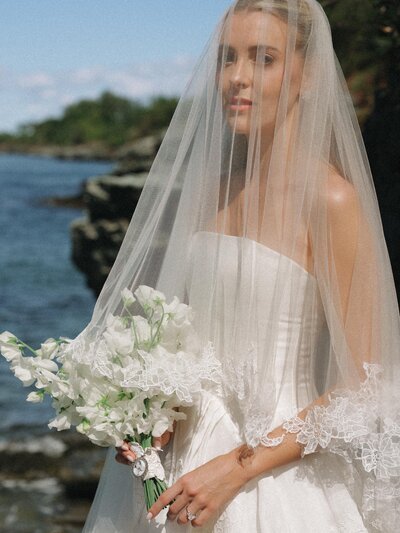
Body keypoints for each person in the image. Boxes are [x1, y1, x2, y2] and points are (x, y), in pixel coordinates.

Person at [82, 0, 400, 531]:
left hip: (270, 480)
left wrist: (235, 469)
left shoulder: (332, 203)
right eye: (227, 58)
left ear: (310, 73)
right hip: (171, 474)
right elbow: (184, 334)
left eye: (264, 58)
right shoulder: (209, 191)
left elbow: (366, 385)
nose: (237, 77)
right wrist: (152, 419)